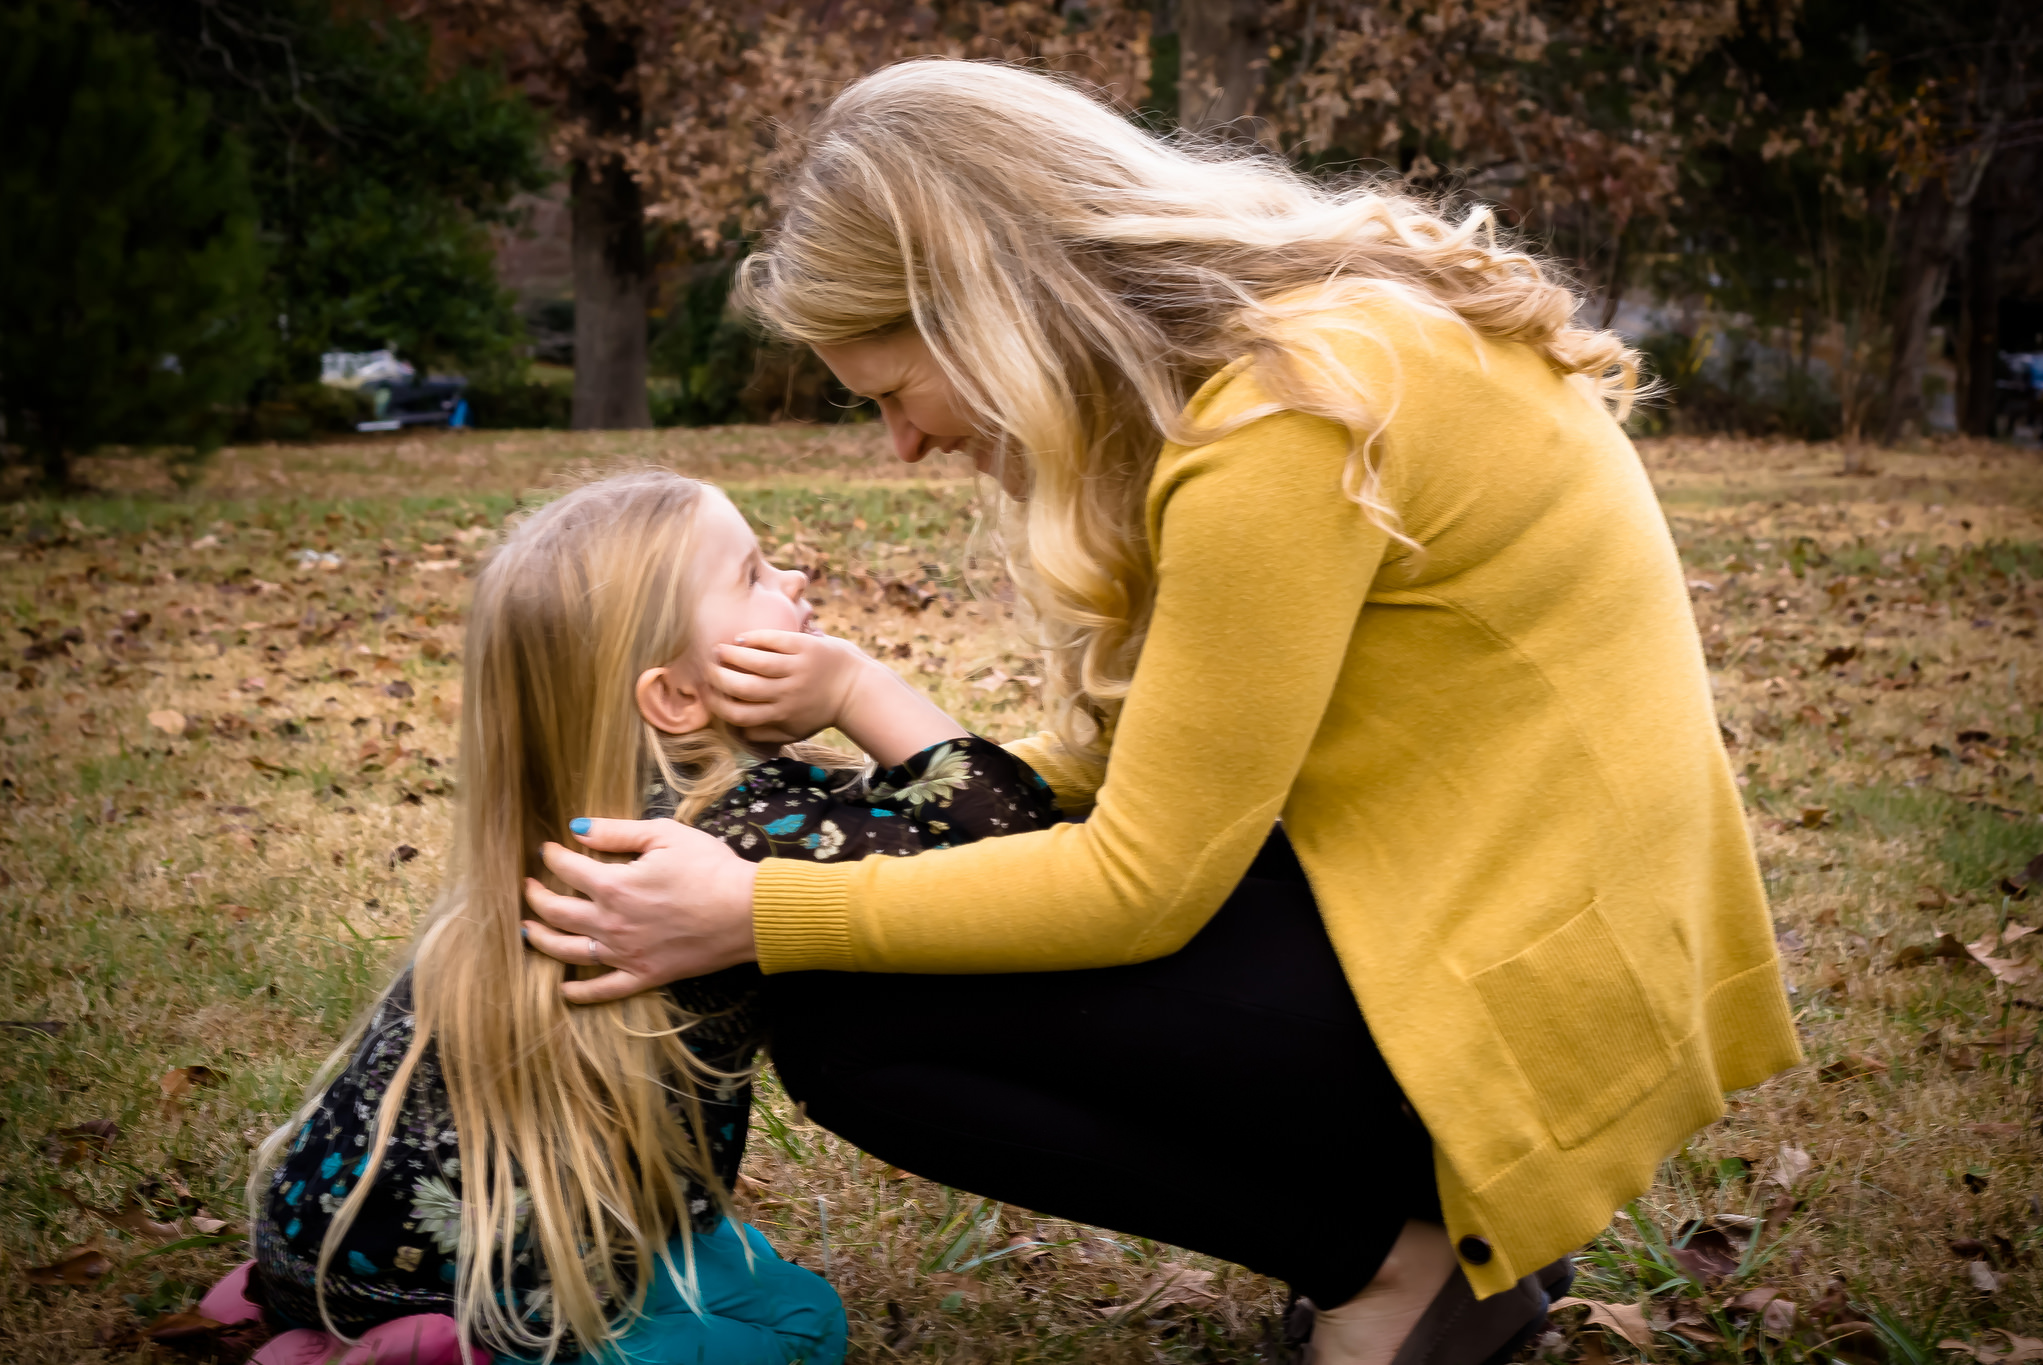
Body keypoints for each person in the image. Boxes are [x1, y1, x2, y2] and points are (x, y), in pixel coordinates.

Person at [518, 61, 1803, 1365]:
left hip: (1516, 1004)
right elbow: (1131, 766)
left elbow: (1143, 883)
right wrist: (887, 774)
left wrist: (754, 911)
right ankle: (1408, 1218)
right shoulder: (1300, 355)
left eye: (892, 395)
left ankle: (1398, 1263)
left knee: (855, 1022)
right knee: (917, 937)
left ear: (985, 317)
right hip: (1525, 934)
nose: (900, 447)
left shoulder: (1289, 417)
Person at [239, 470, 1058, 1363]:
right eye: (753, 574)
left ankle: (333, 1324)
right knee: (798, 1326)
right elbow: (1011, 838)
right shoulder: (749, 826)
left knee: (755, 1279)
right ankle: (461, 1350)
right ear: (673, 696)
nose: (795, 580)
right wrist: (862, 686)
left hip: (315, 1244)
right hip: (454, 1273)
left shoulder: (588, 817)